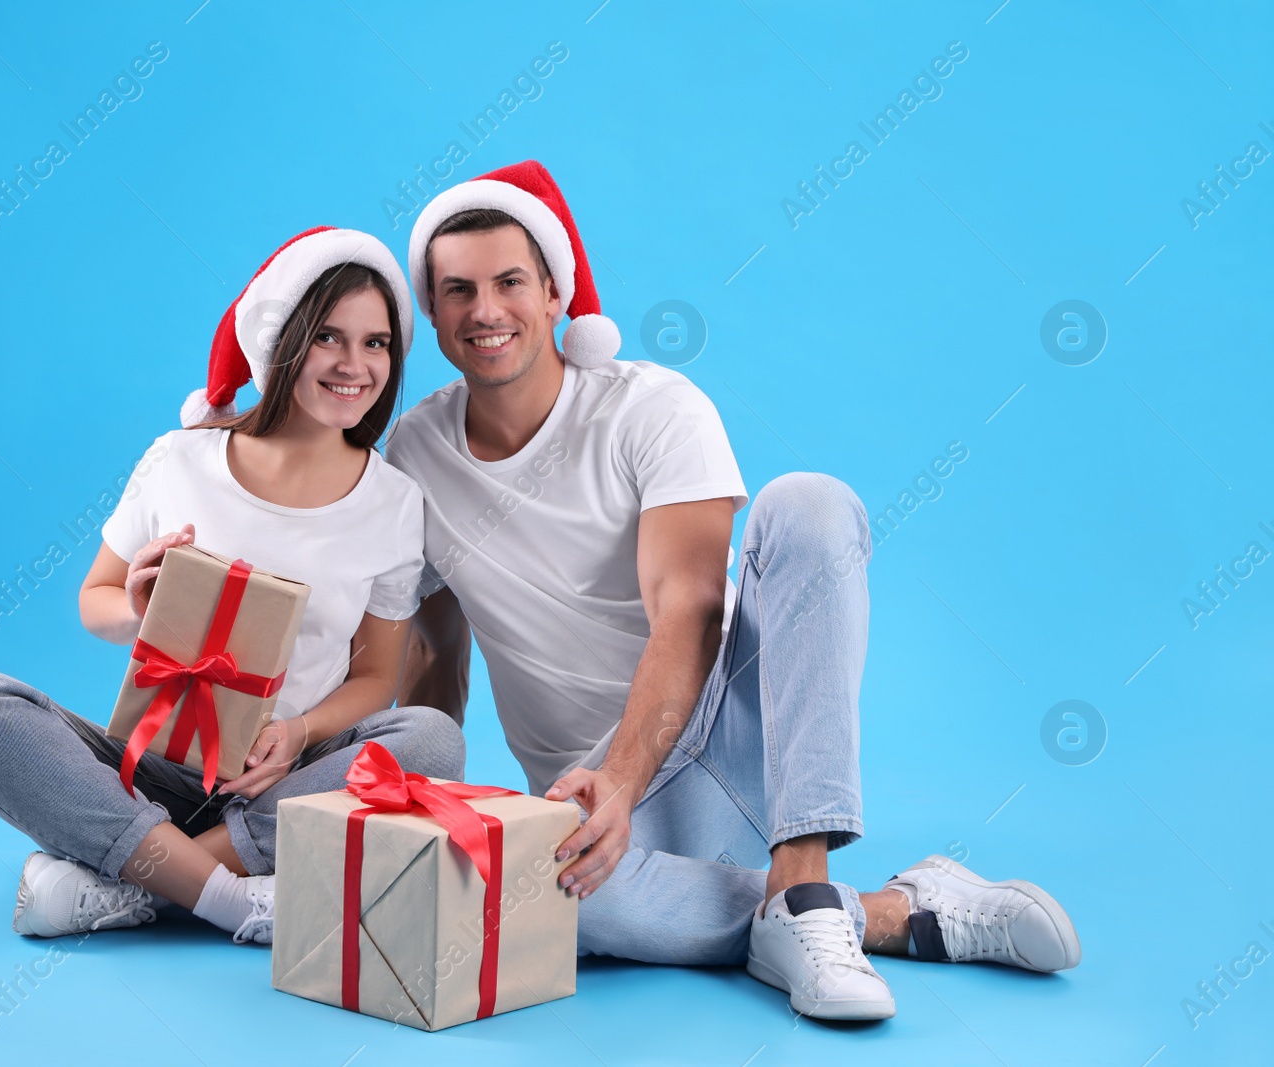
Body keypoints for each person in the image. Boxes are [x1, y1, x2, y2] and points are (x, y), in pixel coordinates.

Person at [386, 161, 1080, 1020]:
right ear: (431, 307)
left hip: (734, 737)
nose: (485, 311)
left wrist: (622, 781)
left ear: (556, 291)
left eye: (509, 282)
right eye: (458, 290)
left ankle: (803, 873)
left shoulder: (651, 408)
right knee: (542, 896)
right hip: (599, 813)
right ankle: (889, 911)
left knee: (810, 504)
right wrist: (411, 805)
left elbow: (690, 608)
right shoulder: (414, 457)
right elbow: (430, 643)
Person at [0, 227, 463, 946]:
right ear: (282, 339)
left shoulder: (395, 503)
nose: (354, 364)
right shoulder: (181, 459)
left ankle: (130, 884)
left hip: (282, 784)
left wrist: (297, 732)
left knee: (431, 740)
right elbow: (97, 600)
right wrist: (138, 609)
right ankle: (231, 899)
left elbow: (376, 676)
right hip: (148, 769)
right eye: (329, 337)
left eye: (377, 343)